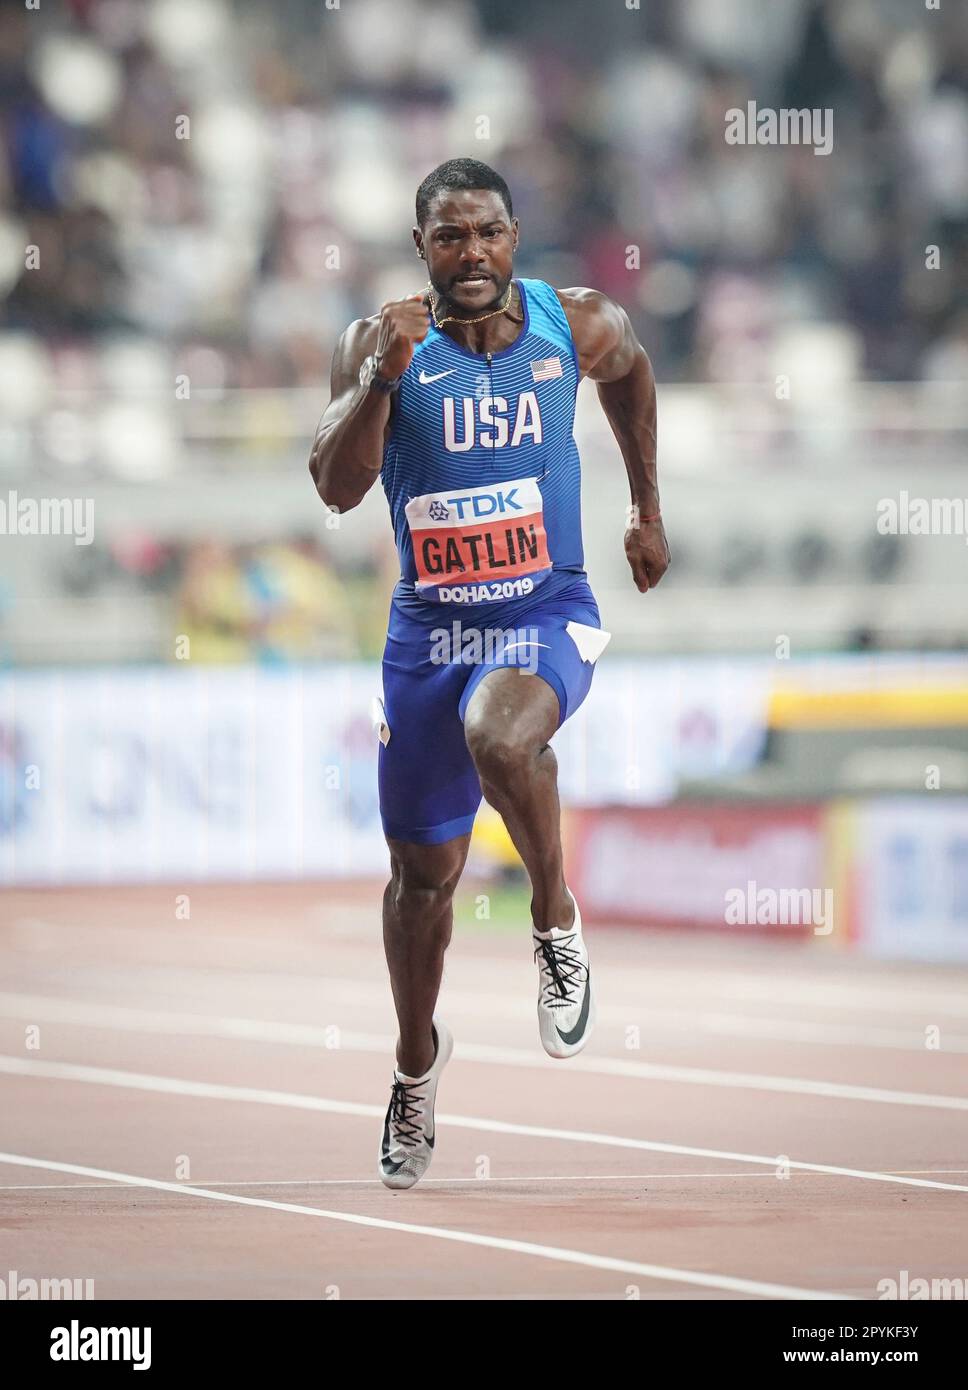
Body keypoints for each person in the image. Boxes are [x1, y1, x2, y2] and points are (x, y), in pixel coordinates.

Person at [309, 158, 669, 1190]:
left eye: (489, 235)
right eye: (449, 238)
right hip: (427, 637)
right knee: (422, 885)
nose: (472, 255)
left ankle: (553, 923)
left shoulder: (575, 322)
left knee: (502, 736)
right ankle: (415, 1066)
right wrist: (380, 375)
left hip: (542, 610)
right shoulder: (377, 344)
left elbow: (632, 369)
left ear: (514, 237)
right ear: (420, 248)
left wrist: (644, 509)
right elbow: (336, 489)